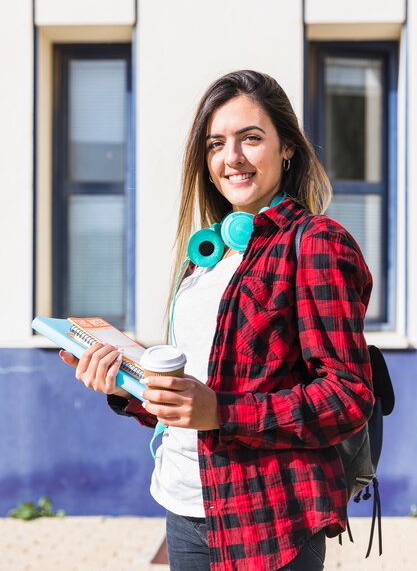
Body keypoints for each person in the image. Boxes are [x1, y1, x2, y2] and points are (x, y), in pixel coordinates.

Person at [59, 70, 374, 571]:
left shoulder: (314, 242)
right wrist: (128, 386)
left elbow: (347, 394)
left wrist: (223, 412)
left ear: (287, 148)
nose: (232, 157)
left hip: (268, 517)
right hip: (184, 505)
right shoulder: (207, 255)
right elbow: (192, 397)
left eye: (251, 138)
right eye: (216, 143)